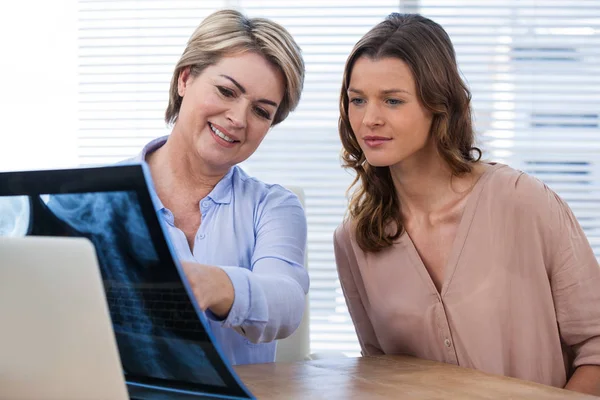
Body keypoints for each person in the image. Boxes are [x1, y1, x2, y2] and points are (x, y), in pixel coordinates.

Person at [333, 12, 600, 395]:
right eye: (357, 100)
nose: (369, 119)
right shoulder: (355, 239)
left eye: (392, 100)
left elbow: (596, 349)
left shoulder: (524, 203)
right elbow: (378, 371)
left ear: (438, 104)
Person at [125, 9, 308, 365]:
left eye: (261, 111)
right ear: (185, 79)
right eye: (226, 91)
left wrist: (212, 284)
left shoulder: (274, 207)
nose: (238, 119)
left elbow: (286, 302)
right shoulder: (101, 195)